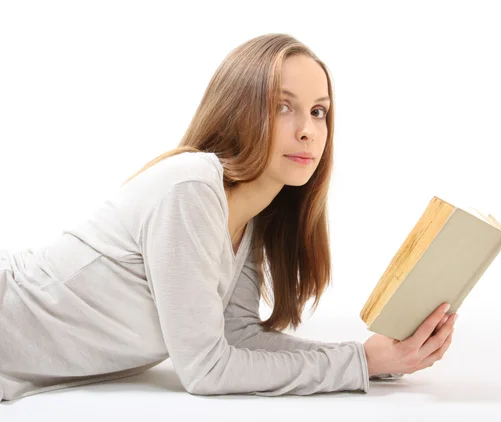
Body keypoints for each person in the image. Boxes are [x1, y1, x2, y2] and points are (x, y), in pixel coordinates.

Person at [0, 33, 457, 402]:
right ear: (241, 111)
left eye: (319, 112)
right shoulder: (193, 189)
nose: (307, 129)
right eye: (284, 106)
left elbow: (234, 337)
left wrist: (372, 357)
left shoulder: (252, 214)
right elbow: (206, 369)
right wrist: (362, 364)